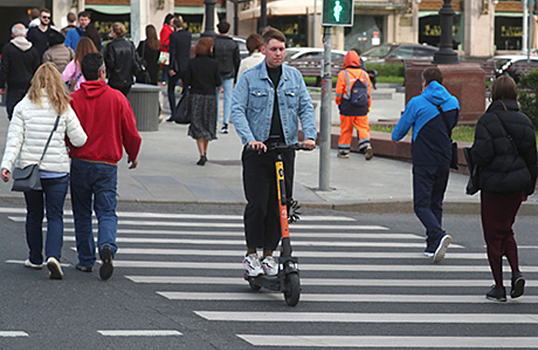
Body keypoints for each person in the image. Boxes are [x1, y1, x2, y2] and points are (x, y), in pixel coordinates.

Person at [231, 26, 317, 277]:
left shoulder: (294, 77)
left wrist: (309, 136)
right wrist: (250, 139)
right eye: (273, 49)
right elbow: (237, 110)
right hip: (258, 151)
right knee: (258, 204)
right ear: (263, 50)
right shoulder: (250, 77)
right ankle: (251, 255)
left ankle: (269, 255)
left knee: (280, 205)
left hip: (285, 149)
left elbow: (305, 107)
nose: (278, 53)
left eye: (282, 49)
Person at [0, 63, 87, 279]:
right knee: (55, 215)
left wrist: (6, 165)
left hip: (31, 170)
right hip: (57, 171)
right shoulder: (64, 106)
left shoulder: (23, 106)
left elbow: (14, 140)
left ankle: (35, 258)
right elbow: (79, 139)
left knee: (34, 214)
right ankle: (54, 256)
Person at [69, 53, 141, 281]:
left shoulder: (74, 99)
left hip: (80, 161)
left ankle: (85, 259)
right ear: (102, 72)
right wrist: (132, 154)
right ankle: (107, 245)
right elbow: (131, 132)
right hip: (107, 163)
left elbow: (66, 133)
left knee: (81, 213)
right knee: (107, 211)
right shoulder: (118, 98)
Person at [468, 75, 537, 302]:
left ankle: (499, 286)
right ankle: (516, 272)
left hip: (494, 187)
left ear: (494, 94)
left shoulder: (487, 121)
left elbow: (482, 155)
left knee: (493, 235)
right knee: (506, 229)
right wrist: (528, 188)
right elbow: (532, 158)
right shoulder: (525, 121)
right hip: (517, 186)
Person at [391, 67, 459, 263]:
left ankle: (438, 235)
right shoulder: (454, 102)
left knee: (421, 205)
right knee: (435, 203)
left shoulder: (417, 103)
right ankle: (431, 246)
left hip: (424, 160)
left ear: (425, 83)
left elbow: (397, 135)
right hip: (445, 159)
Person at [184, 38, 221, 166]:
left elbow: (187, 80)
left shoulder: (192, 63)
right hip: (210, 97)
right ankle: (205, 151)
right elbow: (218, 82)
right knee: (208, 125)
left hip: (196, 97)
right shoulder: (214, 64)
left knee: (198, 125)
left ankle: (202, 153)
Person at [335, 50, 373, 160]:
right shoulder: (364, 74)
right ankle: (366, 146)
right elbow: (368, 92)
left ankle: (343, 151)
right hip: (362, 107)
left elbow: (339, 91)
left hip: (347, 106)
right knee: (363, 128)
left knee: (346, 129)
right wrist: (368, 105)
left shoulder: (343, 74)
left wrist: (339, 102)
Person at [0, 24, 40, 120]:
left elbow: (4, 68)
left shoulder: (8, 48)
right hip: (29, 84)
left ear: (13, 34)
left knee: (12, 110)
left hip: (13, 84)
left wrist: (1, 84)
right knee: (28, 108)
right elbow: (37, 69)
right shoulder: (33, 50)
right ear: (25, 34)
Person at [214, 20, 240, 134]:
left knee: (215, 97)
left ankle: (215, 122)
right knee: (228, 97)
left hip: (216, 73)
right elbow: (237, 61)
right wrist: (235, 77)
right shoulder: (233, 44)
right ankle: (225, 123)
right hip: (229, 73)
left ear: (218, 30)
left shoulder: (214, 42)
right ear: (228, 30)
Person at [105, 22, 140, 96]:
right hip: (128, 79)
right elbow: (134, 60)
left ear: (115, 33)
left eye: (111, 30)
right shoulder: (130, 45)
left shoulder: (111, 46)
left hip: (115, 79)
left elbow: (110, 63)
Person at [167, 16, 191, 116]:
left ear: (174, 26)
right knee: (186, 89)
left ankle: (174, 112)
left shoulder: (173, 36)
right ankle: (184, 110)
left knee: (171, 89)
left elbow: (173, 52)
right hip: (186, 65)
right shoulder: (188, 35)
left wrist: (171, 67)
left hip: (176, 66)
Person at [159, 14, 175, 85]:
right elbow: (164, 41)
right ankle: (164, 82)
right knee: (165, 69)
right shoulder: (166, 29)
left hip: (166, 52)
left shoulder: (167, 28)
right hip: (166, 52)